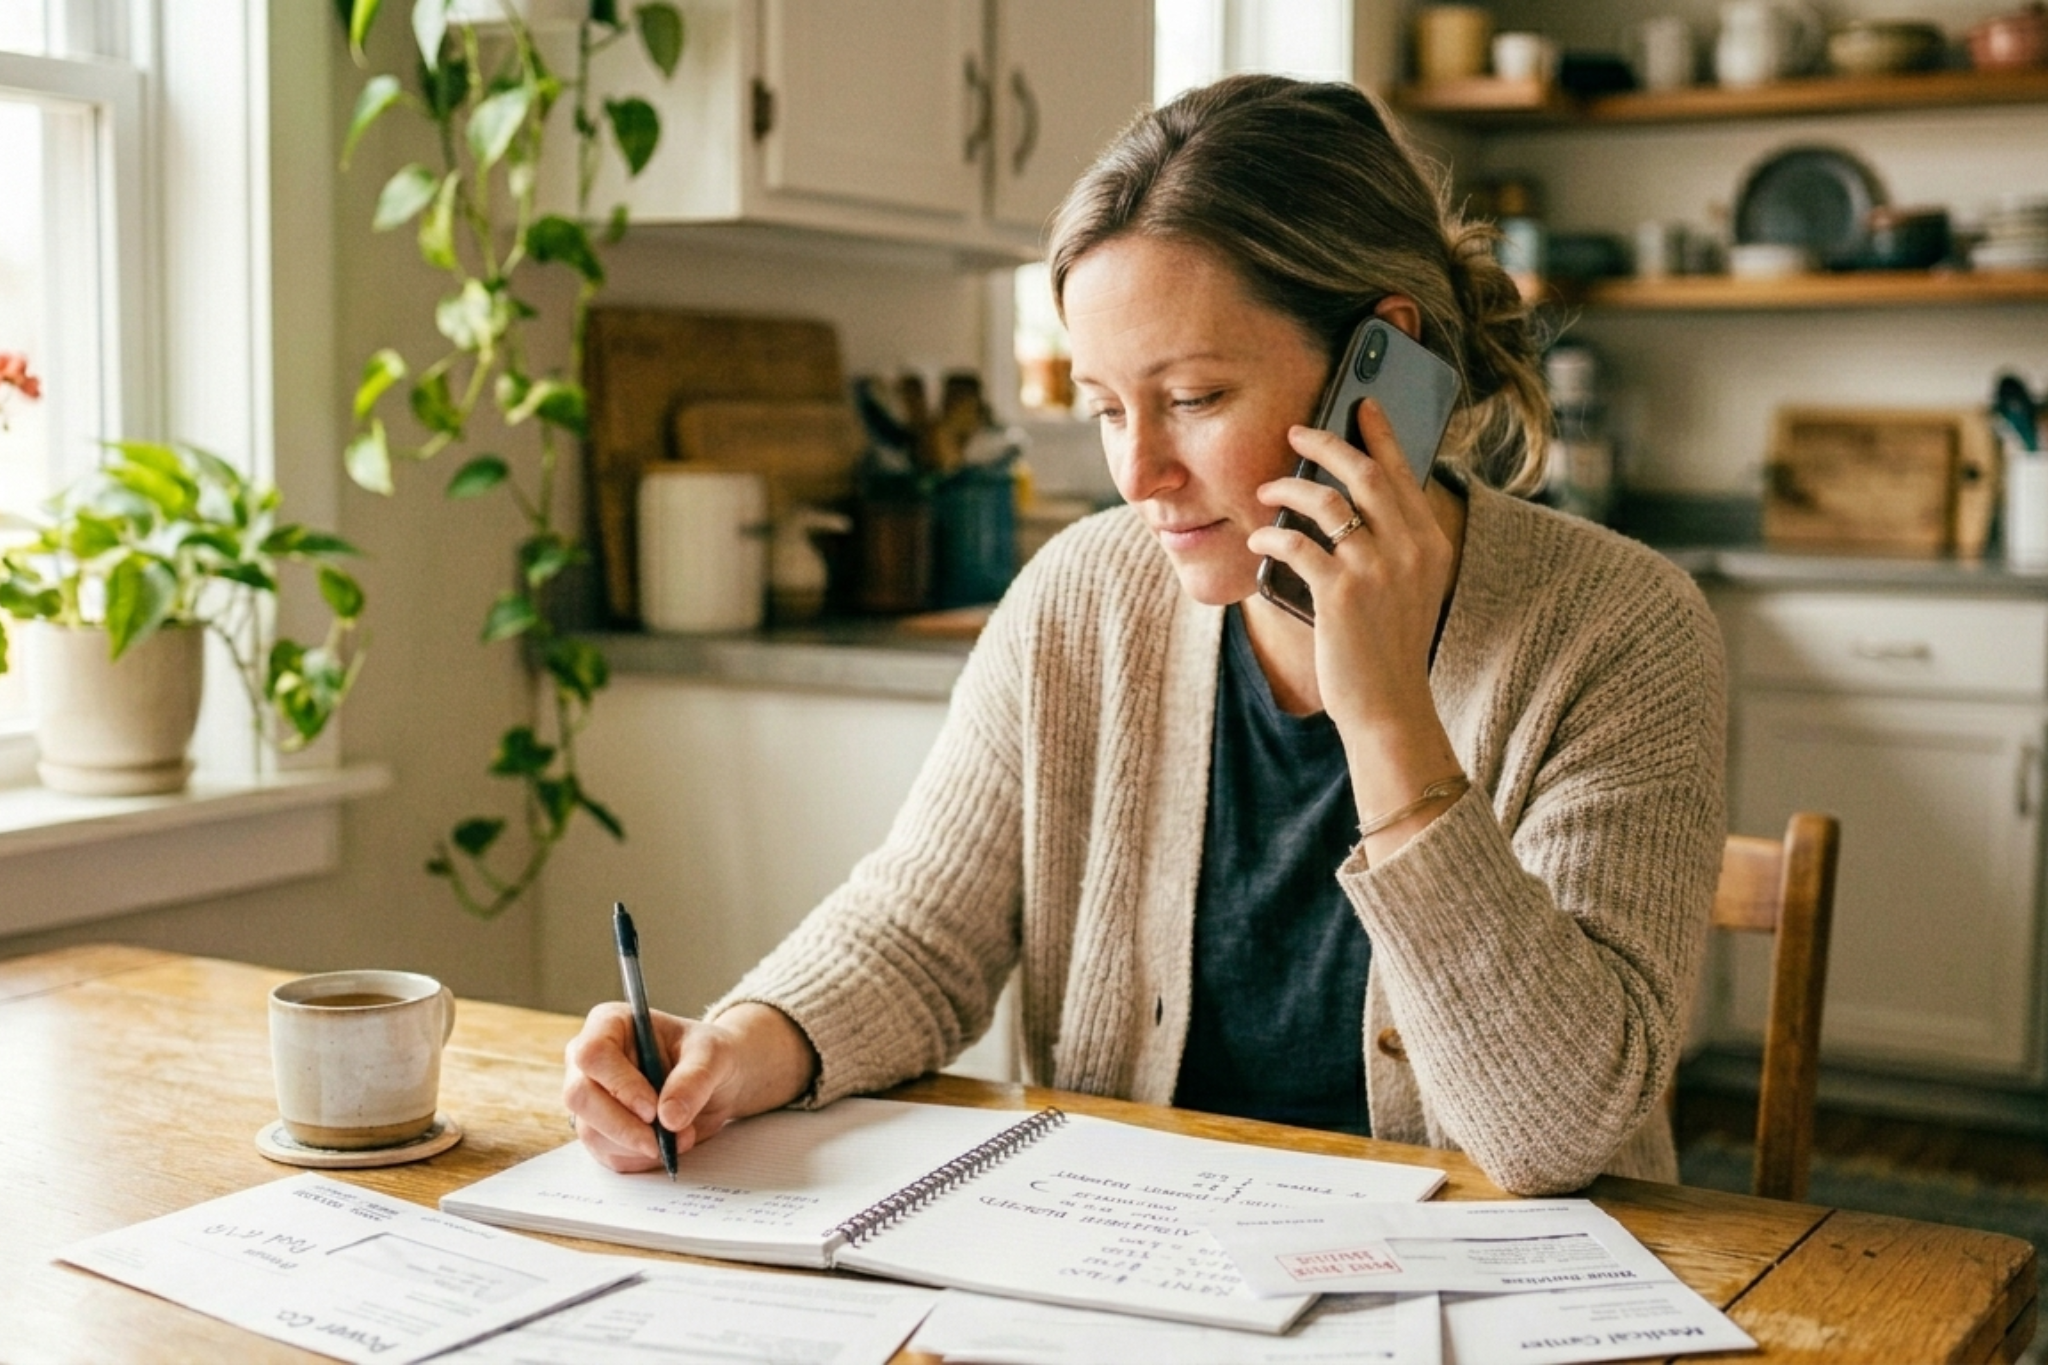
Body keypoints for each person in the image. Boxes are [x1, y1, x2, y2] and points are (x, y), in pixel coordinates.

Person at [563, 74, 1725, 1196]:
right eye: (1108, 407)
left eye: (1194, 399)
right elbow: (919, 932)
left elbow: (1559, 1134)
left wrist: (1382, 716)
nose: (1139, 475)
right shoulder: (1081, 595)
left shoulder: (1620, 629)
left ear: (1382, 364)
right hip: (1141, 1285)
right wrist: (742, 1046)